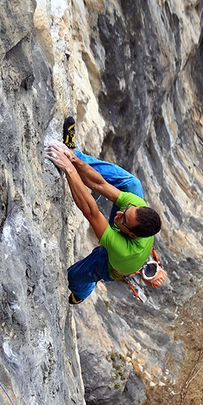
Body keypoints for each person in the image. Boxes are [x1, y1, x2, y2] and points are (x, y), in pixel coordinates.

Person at [44, 117, 162, 304]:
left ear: (132, 234)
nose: (118, 213)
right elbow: (100, 184)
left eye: (123, 219)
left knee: (74, 278)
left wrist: (68, 169)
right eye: (127, 210)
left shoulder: (123, 249)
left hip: (111, 264)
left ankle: (82, 294)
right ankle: (76, 152)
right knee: (132, 184)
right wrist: (72, 159)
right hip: (125, 236)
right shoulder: (135, 209)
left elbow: (91, 211)